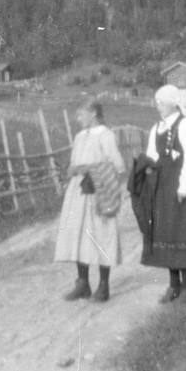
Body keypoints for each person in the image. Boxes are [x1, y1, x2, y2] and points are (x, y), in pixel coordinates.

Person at [130, 84, 186, 303]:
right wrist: (146, 167)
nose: (158, 107)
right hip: (161, 186)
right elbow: (152, 155)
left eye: (162, 102)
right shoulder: (158, 128)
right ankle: (173, 286)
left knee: (181, 232)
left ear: (174, 103)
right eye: (157, 103)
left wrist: (184, 187)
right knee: (165, 233)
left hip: (179, 186)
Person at [54, 97, 127, 302]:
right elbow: (74, 163)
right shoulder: (79, 137)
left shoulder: (106, 135)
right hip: (78, 192)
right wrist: (72, 169)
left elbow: (119, 165)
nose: (77, 119)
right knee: (78, 234)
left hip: (99, 192)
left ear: (93, 113)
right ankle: (83, 283)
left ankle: (103, 287)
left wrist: (91, 169)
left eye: (80, 114)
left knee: (102, 235)